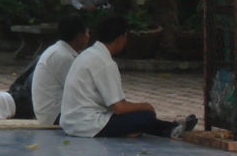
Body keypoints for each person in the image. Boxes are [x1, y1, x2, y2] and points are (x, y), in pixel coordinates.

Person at [60, 14, 195, 139]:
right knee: (145, 116)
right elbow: (120, 108)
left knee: (139, 118)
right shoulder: (104, 63)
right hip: (87, 124)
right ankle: (170, 128)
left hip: (72, 122)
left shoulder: (89, 54)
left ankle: (170, 128)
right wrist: (145, 105)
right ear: (119, 38)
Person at [29, 14, 90, 125]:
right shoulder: (64, 57)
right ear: (79, 36)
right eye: (87, 33)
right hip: (55, 114)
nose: (88, 36)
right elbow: (82, 92)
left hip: (54, 111)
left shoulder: (60, 51)